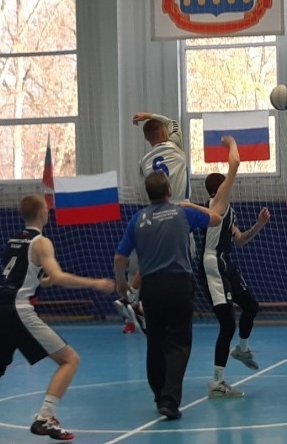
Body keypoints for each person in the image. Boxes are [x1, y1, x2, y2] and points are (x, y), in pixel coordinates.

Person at [0, 194, 115, 440]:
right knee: (70, 360)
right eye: (47, 209)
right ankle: (45, 418)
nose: (49, 212)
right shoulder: (41, 242)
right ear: (41, 213)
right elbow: (58, 277)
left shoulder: (13, 240)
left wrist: (41, 281)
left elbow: (19, 275)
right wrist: (95, 283)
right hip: (19, 310)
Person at [113, 171, 220, 420]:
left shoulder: (138, 219)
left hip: (151, 288)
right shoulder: (182, 213)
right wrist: (192, 205)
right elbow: (216, 218)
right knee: (179, 343)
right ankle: (170, 400)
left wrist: (122, 283)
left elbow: (119, 257)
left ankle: (159, 395)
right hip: (179, 284)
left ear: (148, 194)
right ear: (169, 191)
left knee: (155, 342)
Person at [199, 136, 271, 399]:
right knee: (228, 324)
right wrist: (231, 143)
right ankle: (217, 382)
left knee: (251, 306)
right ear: (220, 189)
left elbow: (239, 240)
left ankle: (241, 349)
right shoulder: (217, 203)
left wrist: (259, 225)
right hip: (212, 263)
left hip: (225, 263)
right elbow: (236, 163)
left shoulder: (227, 211)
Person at [112, 112, 189, 334]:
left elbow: (148, 187)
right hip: (179, 212)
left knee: (152, 260)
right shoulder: (175, 147)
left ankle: (133, 299)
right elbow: (171, 121)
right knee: (181, 262)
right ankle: (145, 303)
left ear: (147, 140)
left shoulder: (144, 162)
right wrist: (148, 115)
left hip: (154, 213)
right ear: (164, 133)